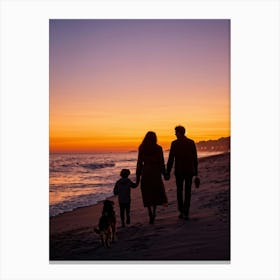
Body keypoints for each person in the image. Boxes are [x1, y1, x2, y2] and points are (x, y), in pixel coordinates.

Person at [166, 125, 198, 220]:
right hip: (189, 171)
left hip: (179, 171)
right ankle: (186, 212)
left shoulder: (174, 143)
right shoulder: (191, 142)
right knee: (187, 191)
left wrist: (168, 171)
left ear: (180, 132)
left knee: (179, 191)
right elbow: (195, 158)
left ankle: (181, 211)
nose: (175, 134)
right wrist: (196, 172)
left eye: (176, 132)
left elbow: (171, 159)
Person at [136, 131, 168, 224]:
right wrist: (164, 173)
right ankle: (154, 212)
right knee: (155, 192)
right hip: (155, 172)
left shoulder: (142, 147)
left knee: (147, 193)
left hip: (146, 172)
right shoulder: (158, 148)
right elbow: (162, 162)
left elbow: (139, 163)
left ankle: (149, 212)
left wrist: (138, 177)